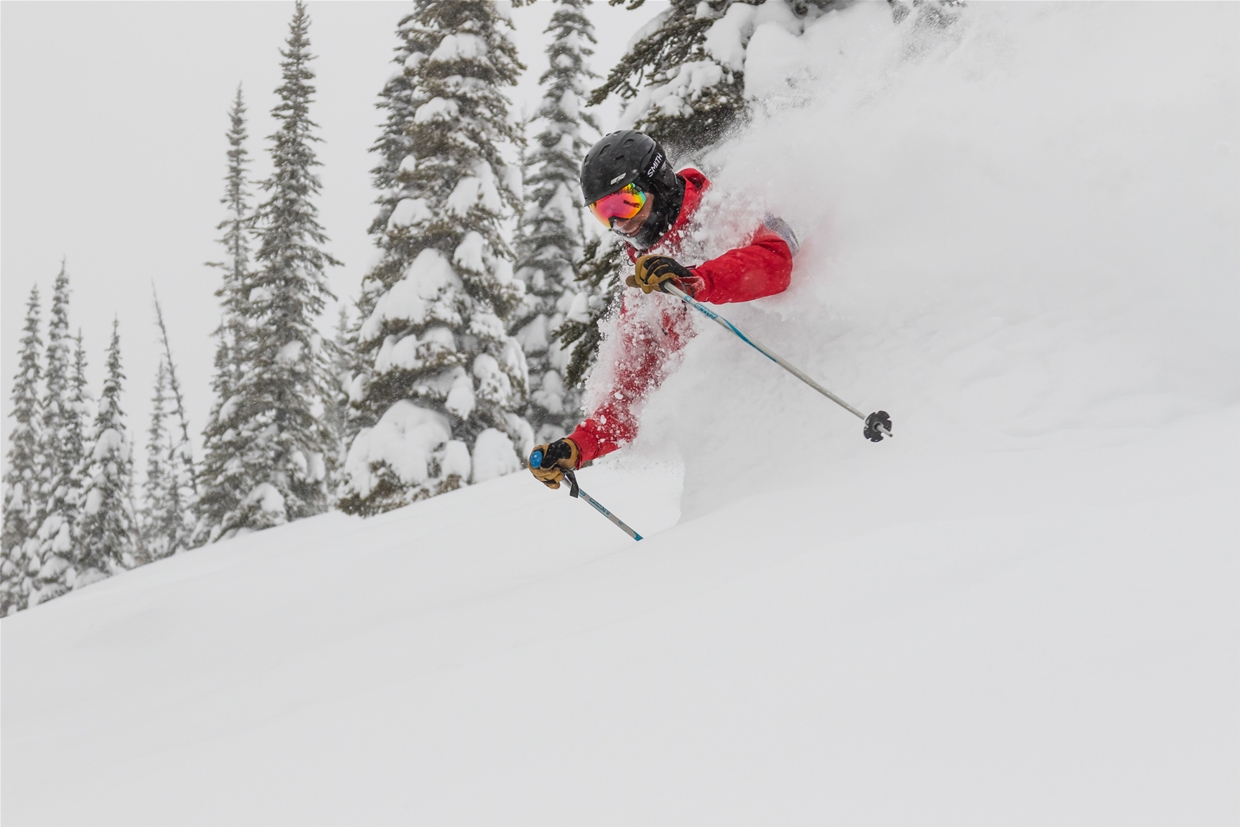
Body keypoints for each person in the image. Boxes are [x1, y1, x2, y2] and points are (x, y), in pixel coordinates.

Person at [529, 129, 799, 489]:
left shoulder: (721, 212)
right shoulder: (645, 283)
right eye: (603, 212)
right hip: (728, 452)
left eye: (626, 203)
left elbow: (777, 263)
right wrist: (577, 447)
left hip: (789, 412)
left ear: (658, 181)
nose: (620, 223)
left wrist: (696, 280)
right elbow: (632, 393)